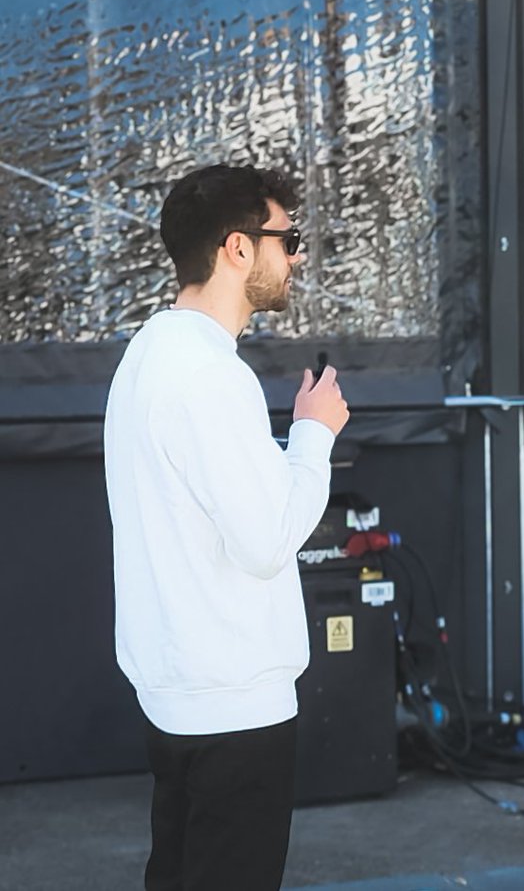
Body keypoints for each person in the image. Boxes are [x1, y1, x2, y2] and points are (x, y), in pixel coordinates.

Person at [104, 164, 350, 891]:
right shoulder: (209, 375)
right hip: (233, 706)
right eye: (288, 238)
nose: (297, 256)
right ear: (238, 249)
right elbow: (268, 542)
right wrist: (313, 436)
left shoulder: (150, 355)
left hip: (182, 695)